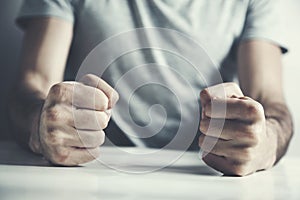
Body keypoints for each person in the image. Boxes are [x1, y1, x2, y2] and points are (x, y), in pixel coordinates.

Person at [8, 0, 293, 176]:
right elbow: (32, 86)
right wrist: (40, 126)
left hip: (202, 176)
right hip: (84, 173)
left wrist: (265, 142)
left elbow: (270, 101)